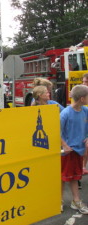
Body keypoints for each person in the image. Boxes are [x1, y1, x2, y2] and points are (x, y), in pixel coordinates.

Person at [60, 85, 88, 214]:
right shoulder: (65, 113)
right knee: (64, 177)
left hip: (78, 151)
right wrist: (65, 145)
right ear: (82, 98)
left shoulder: (85, 111)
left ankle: (75, 201)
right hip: (68, 152)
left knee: (74, 177)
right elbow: (56, 131)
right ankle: (61, 201)